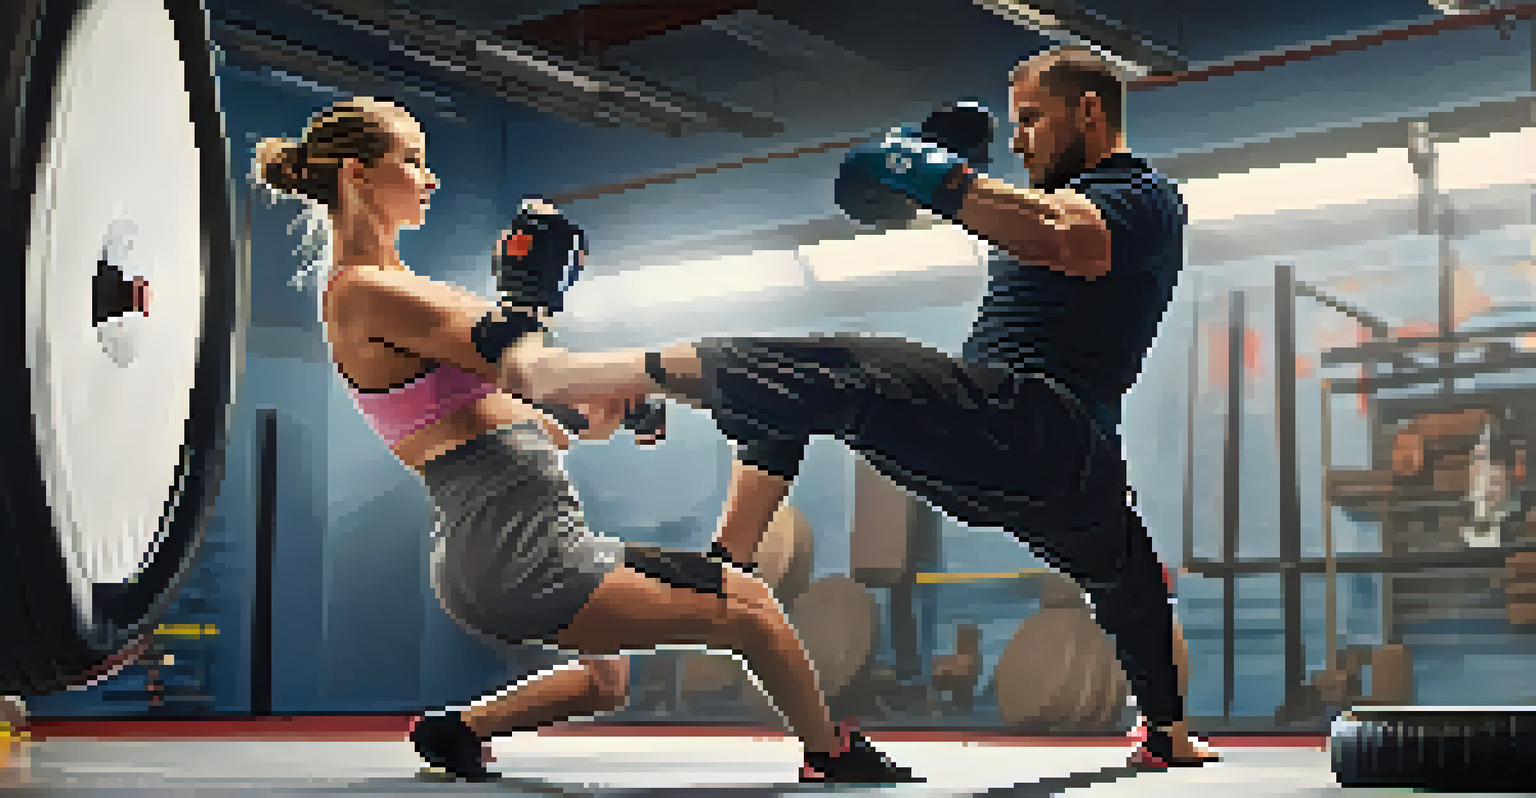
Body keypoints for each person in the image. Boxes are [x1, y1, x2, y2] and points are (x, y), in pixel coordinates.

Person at [492, 44, 1222, 768]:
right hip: (1031, 459)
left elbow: (1069, 239)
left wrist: (933, 172)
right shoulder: (1044, 201)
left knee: (839, 369)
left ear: (1089, 110)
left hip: (1037, 423)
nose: (1021, 138)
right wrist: (950, 184)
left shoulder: (1138, 193)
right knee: (1125, 573)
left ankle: (573, 375)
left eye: (1032, 119)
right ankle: (730, 564)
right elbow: (1030, 220)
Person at [250, 95, 918, 785]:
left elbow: (536, 417)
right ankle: (829, 753)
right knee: (749, 607)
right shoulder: (366, 291)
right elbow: (527, 361)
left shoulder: (396, 294)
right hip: (520, 553)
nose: (430, 178)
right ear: (357, 176)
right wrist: (549, 315)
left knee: (606, 682)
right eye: (412, 161)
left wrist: (617, 411)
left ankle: (455, 731)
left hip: (508, 544)